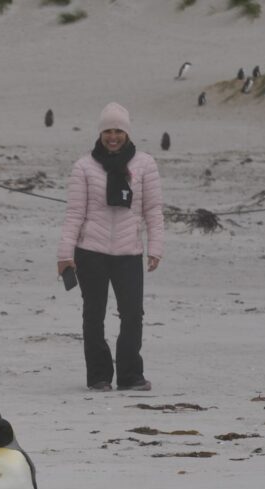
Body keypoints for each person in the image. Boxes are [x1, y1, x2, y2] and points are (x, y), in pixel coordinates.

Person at [56, 102, 164, 391]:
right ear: (100, 133)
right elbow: (74, 213)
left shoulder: (145, 165)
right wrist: (65, 254)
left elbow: (153, 209)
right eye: (107, 131)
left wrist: (155, 247)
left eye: (118, 131)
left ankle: (130, 376)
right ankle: (99, 376)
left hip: (129, 253)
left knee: (132, 314)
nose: (112, 137)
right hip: (90, 252)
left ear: (127, 133)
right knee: (94, 314)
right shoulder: (84, 167)